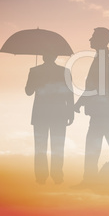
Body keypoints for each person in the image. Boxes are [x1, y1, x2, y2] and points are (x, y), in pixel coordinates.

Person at [74, 27, 109, 188]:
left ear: (101, 39)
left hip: (104, 111)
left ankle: (91, 179)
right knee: (108, 143)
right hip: (103, 110)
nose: (90, 40)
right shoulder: (103, 57)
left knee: (99, 144)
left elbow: (106, 84)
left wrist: (80, 102)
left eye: (93, 37)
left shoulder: (108, 57)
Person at [25, 52, 74, 184]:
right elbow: (70, 94)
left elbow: (28, 91)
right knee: (58, 146)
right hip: (59, 114)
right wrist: (70, 113)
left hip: (41, 114)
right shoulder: (65, 71)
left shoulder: (34, 71)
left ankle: (41, 177)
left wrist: (35, 79)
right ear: (55, 56)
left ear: (43, 56)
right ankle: (57, 176)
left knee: (40, 146)